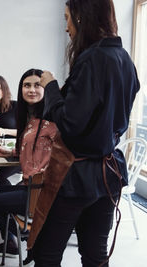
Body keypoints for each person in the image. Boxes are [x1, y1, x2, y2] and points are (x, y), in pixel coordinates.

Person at [33, 0, 140, 266]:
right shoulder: (124, 58)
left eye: (67, 18)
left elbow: (70, 125)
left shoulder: (92, 59)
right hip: (107, 174)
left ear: (81, 18)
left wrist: (51, 87)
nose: (67, 27)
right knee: (94, 254)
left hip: (76, 175)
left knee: (47, 253)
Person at [0, 69, 56, 263]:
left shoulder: (52, 118)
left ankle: (28, 234)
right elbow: (32, 148)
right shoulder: (28, 118)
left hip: (38, 190)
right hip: (27, 184)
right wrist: (10, 152)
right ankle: (22, 234)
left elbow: (62, 152)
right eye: (26, 85)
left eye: (37, 85)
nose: (31, 90)